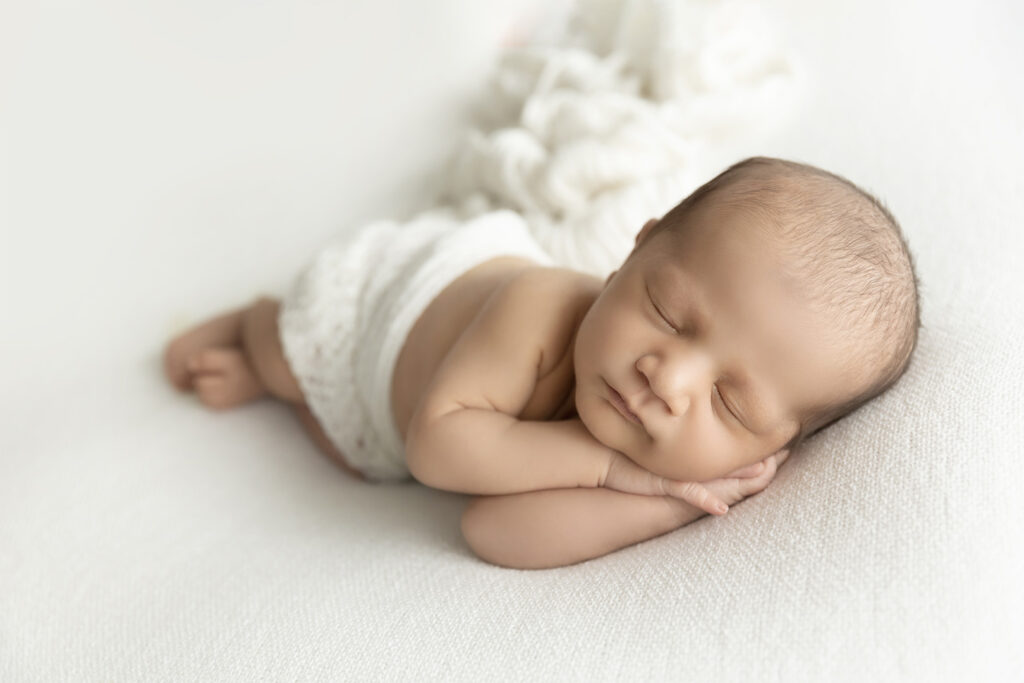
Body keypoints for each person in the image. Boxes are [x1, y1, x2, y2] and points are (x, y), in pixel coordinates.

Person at [163, 156, 921, 569]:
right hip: (378, 309)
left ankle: (294, 390)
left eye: (731, 403)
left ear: (770, 448)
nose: (670, 377)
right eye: (666, 311)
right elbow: (438, 446)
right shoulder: (541, 309)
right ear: (634, 249)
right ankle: (259, 328)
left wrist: (669, 496)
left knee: (348, 456)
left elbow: (494, 532)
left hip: (392, 430)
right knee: (300, 358)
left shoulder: (653, 452)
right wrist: (611, 469)